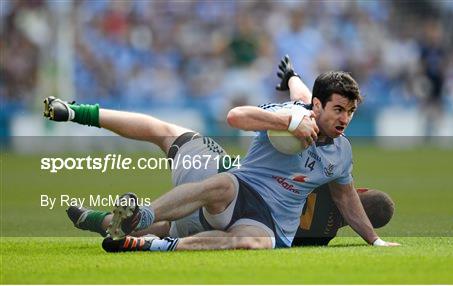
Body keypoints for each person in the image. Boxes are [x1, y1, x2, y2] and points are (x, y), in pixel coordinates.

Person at [44, 56, 395, 248]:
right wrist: (292, 87)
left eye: (350, 112)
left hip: (215, 180)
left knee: (164, 132)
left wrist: (291, 84)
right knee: (175, 225)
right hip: (230, 204)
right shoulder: (327, 225)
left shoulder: (306, 116)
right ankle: (112, 222)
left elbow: (298, 99)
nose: (346, 118)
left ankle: (77, 113)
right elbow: (304, 99)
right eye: (341, 111)